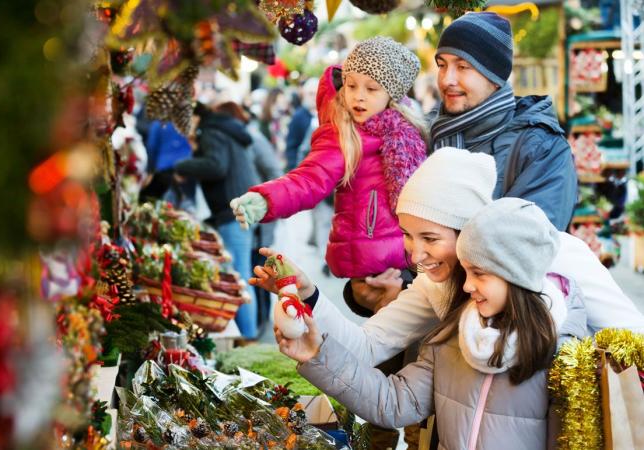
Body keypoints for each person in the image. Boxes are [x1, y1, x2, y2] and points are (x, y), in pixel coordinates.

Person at [250, 148, 644, 368]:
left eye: (430, 238)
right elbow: (368, 346)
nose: (416, 254)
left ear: (468, 230)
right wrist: (309, 294)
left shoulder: (559, 254)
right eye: (406, 234)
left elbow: (633, 337)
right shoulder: (434, 284)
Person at [277, 198, 583, 450]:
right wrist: (317, 354)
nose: (466, 286)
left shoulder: (564, 354)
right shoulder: (455, 335)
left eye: (480, 274)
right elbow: (394, 402)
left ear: (516, 274)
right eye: (466, 272)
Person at [230, 36, 428, 280]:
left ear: (392, 95)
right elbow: (310, 178)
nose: (359, 96)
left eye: (372, 88)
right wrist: (265, 199)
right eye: (352, 85)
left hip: (409, 255)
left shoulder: (408, 129)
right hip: (370, 260)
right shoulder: (344, 133)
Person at [430, 12, 577, 232]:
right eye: (442, 65)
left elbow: (527, 241)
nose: (447, 79)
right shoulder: (424, 133)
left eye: (462, 67)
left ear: (495, 76)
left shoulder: (542, 148)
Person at [173, 103, 260, 339]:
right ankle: (247, 337)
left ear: (197, 117)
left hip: (233, 211)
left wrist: (182, 166)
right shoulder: (223, 129)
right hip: (240, 208)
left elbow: (216, 166)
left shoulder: (211, 132)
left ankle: (248, 341)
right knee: (240, 275)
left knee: (237, 278)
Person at [214, 101, 284, 336]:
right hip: (247, 215)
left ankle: (261, 325)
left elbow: (275, 172)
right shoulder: (237, 139)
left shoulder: (252, 138)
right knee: (254, 272)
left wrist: (263, 200)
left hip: (260, 216)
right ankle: (259, 324)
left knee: (258, 272)